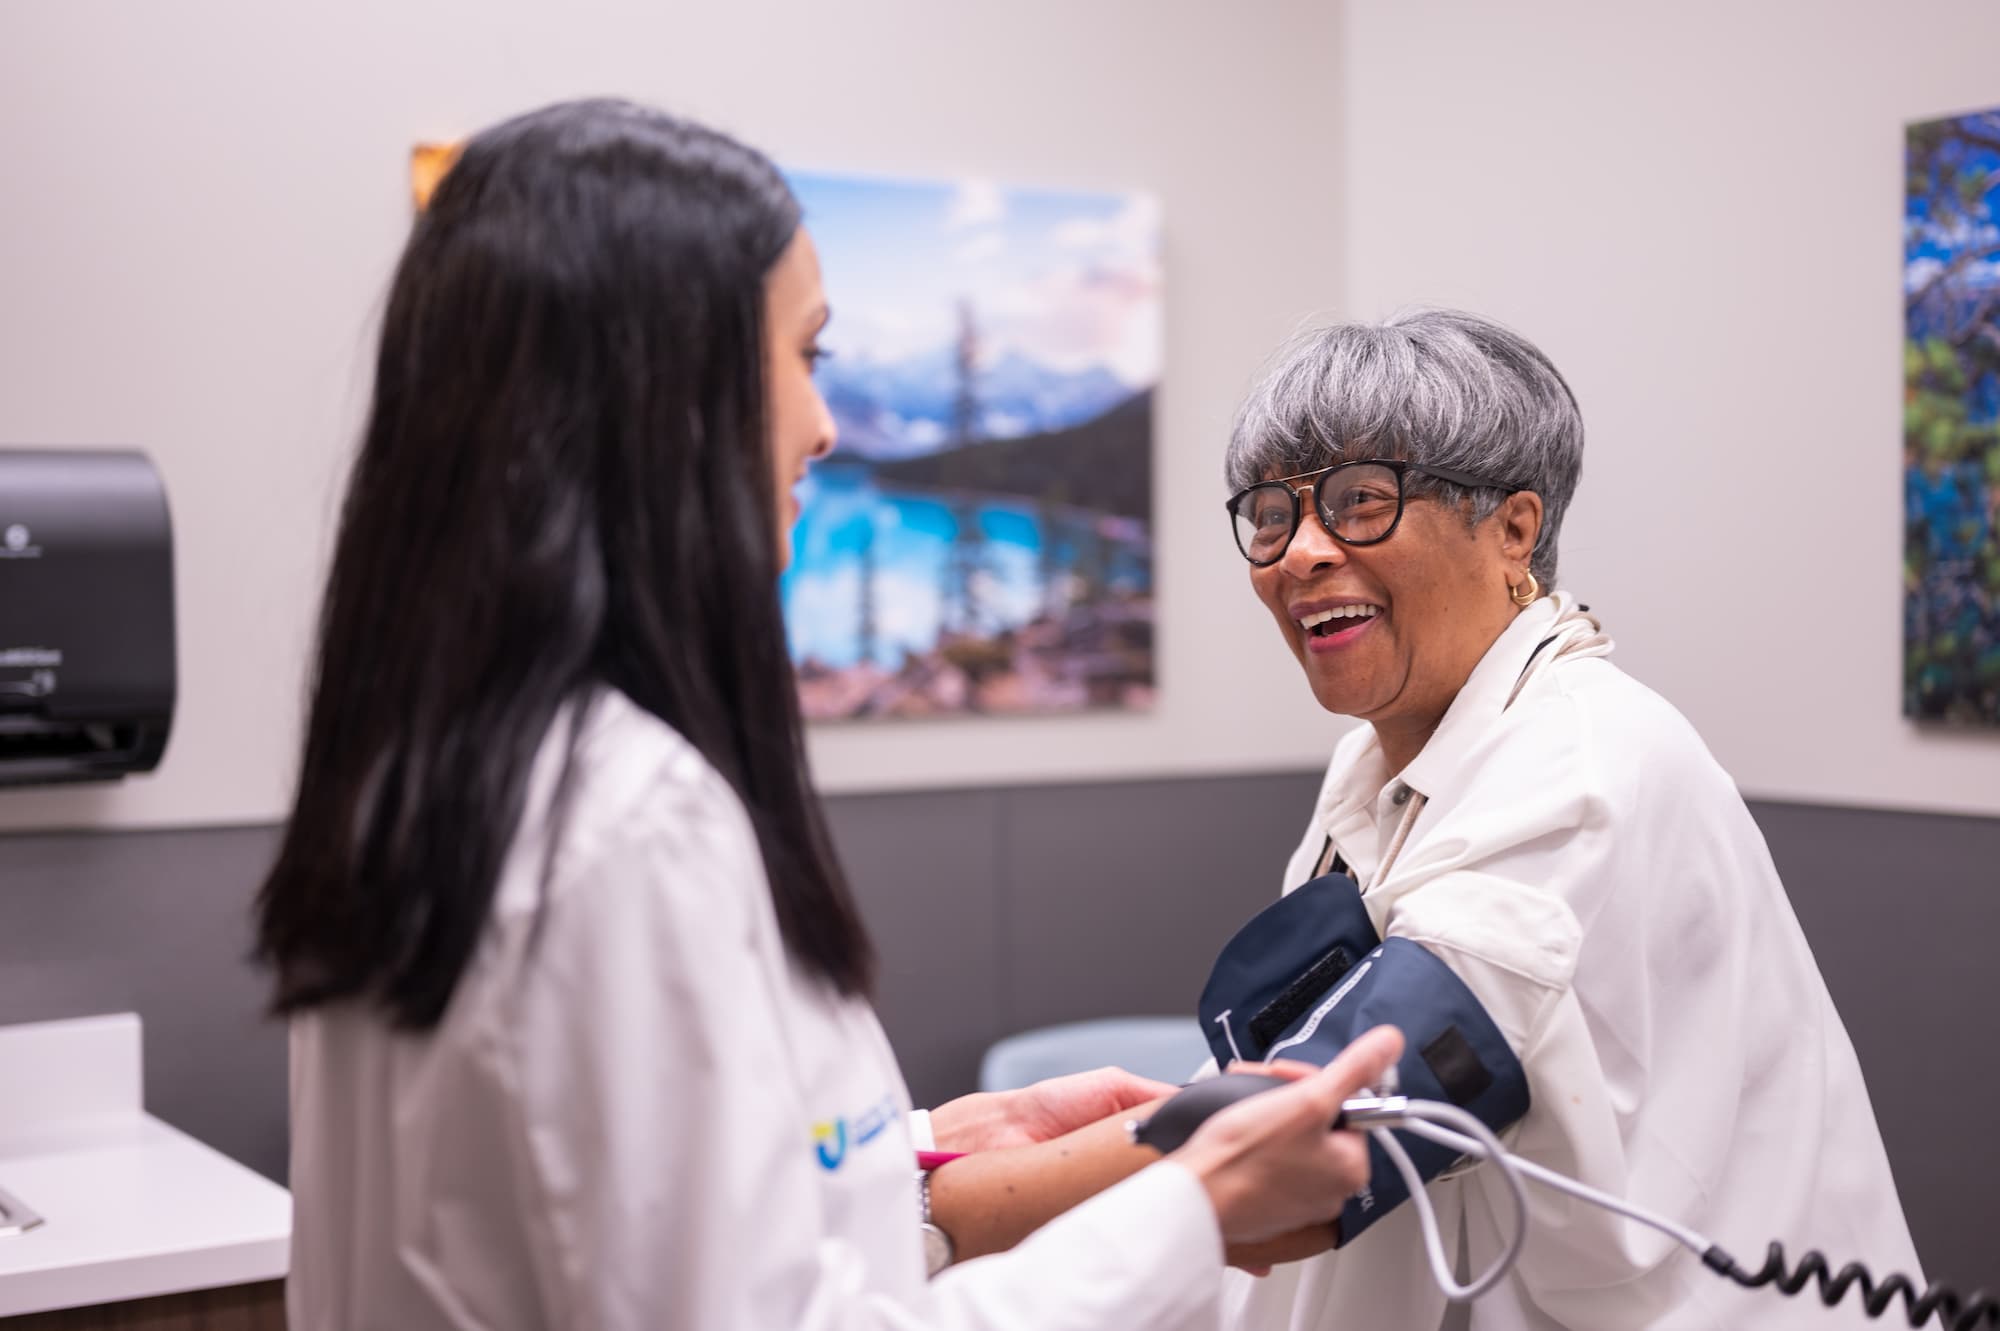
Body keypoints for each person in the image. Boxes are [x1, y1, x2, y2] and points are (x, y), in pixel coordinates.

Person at [252, 98, 1400, 1331]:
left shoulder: (431, 779)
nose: (825, 425)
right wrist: (1189, 1208)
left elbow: (588, 1197)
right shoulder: (626, 821)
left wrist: (912, 1148)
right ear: (660, 392)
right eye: (805, 355)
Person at [1211, 309, 1922, 1329]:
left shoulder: (1584, 752)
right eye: (1270, 514)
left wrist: (949, 1199)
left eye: (1357, 501)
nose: (1302, 552)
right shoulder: (1373, 768)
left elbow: (1341, 1111)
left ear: (1511, 527)